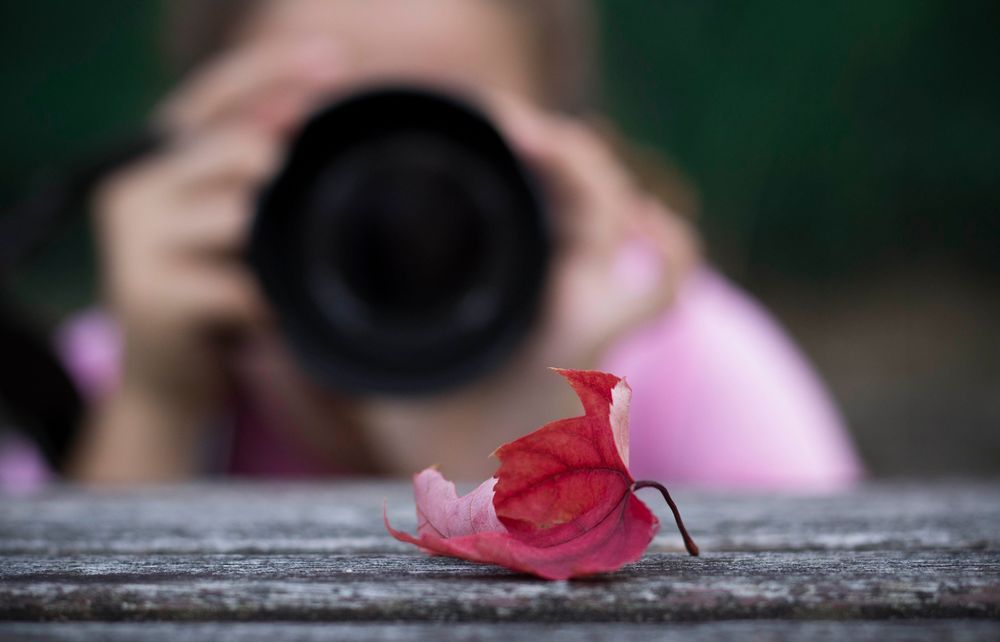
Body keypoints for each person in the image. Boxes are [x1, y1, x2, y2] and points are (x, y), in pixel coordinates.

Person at [14, 0, 863, 489]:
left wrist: (529, 459)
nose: (390, 201)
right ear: (199, 157)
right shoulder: (134, 368)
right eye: (318, 137)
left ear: (564, 163)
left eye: (450, 136)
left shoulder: (678, 363)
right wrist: (157, 412)